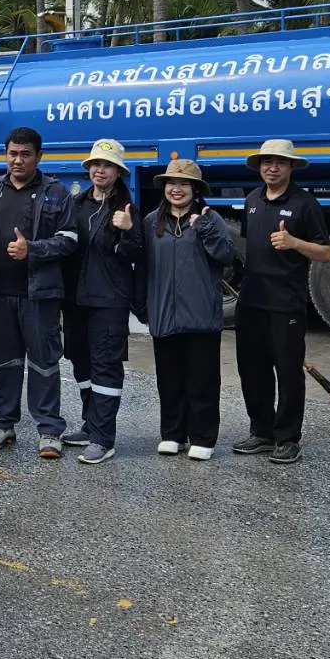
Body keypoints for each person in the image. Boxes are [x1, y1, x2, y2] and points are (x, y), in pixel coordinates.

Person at [0, 128, 77, 459]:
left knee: (44, 362)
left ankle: (49, 430)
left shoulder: (56, 193)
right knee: (3, 361)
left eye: (25, 154)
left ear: (38, 157)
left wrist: (33, 249)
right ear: (6, 155)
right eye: (12, 153)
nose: (17, 160)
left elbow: (69, 240)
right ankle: (3, 425)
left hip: (39, 294)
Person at [233, 138, 330, 465]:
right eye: (266, 162)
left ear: (290, 167)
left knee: (288, 372)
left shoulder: (304, 204)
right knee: (253, 370)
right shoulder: (251, 200)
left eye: (279, 162)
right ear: (259, 167)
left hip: (286, 303)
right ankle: (261, 431)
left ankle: (287, 438)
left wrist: (293, 242)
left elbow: (327, 253)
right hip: (251, 302)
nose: (272, 167)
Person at [136, 159, 235, 462]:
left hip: (201, 314)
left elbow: (226, 256)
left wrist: (205, 229)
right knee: (169, 377)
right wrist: (143, 306)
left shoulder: (210, 218)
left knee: (202, 378)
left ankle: (203, 436)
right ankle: (173, 434)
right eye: (171, 183)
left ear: (195, 189)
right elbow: (142, 266)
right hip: (164, 313)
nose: (176, 189)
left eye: (183, 184)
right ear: (164, 188)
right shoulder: (151, 221)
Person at [59, 139, 141, 465]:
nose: (99, 170)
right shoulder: (76, 204)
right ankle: (90, 423)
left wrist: (129, 231)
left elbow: (136, 255)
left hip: (109, 300)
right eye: (95, 165)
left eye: (106, 165)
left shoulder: (126, 210)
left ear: (118, 172)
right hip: (76, 299)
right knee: (80, 361)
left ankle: (103, 438)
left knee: (105, 365)